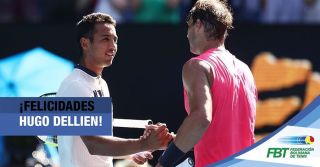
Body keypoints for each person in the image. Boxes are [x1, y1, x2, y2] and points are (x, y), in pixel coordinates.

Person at [56, 12, 172, 167]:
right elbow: (94, 144)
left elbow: (103, 138)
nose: (112, 46)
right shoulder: (75, 85)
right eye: (105, 39)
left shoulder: (101, 83)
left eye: (115, 40)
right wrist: (142, 143)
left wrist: (132, 151)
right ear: (85, 43)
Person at [156, 0, 257, 166]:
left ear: (198, 24)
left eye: (188, 26)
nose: (187, 34)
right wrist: (181, 141)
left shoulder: (197, 65)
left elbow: (201, 118)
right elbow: (227, 131)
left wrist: (164, 163)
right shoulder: (246, 70)